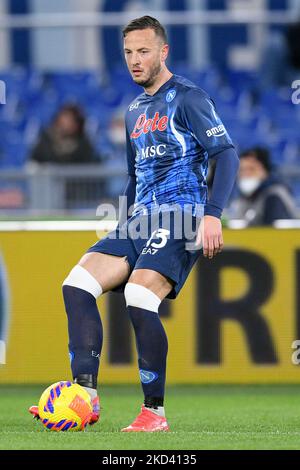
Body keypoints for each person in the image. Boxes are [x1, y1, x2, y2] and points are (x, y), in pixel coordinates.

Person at [29, 16, 239, 432]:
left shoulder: (188, 97)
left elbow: (226, 154)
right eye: (128, 52)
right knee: (76, 285)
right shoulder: (133, 110)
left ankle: (153, 413)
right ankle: (85, 395)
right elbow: (133, 174)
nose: (135, 60)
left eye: (144, 51)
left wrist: (213, 215)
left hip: (182, 215)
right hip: (140, 218)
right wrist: (123, 222)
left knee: (140, 298)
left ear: (164, 52)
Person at [230, 147, 298, 226]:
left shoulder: (275, 196)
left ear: (265, 170)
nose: (246, 174)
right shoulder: (244, 198)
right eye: (242, 170)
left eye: (252, 169)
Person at [30, 104, 99, 164]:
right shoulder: (46, 140)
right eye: (63, 120)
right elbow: (35, 160)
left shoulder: (84, 144)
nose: (65, 124)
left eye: (70, 121)